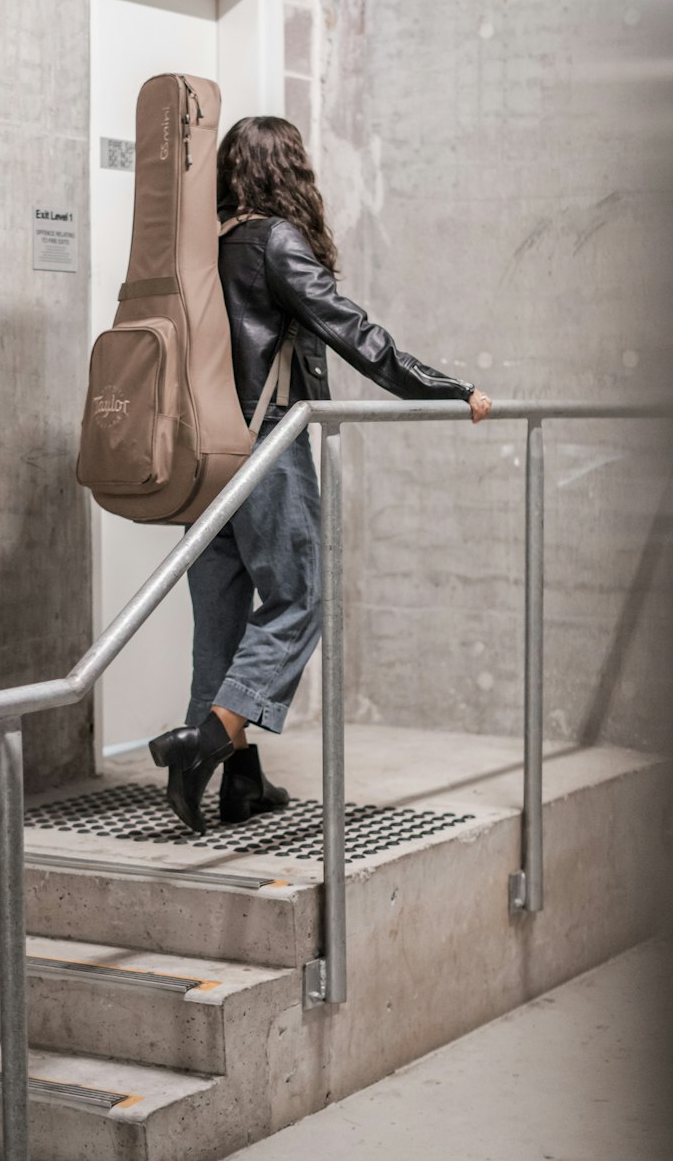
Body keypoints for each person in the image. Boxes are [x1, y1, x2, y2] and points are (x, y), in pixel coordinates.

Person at [149, 117, 492, 833]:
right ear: (288, 170)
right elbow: (355, 332)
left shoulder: (201, 242)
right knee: (300, 598)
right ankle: (205, 746)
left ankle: (239, 785)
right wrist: (448, 389)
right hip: (265, 445)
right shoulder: (273, 241)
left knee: (220, 627)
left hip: (201, 456)